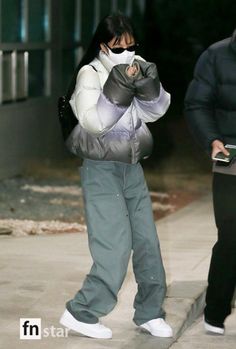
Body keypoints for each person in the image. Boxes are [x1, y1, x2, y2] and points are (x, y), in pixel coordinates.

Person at [59, 13, 173, 339]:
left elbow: (157, 111)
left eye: (131, 44)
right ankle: (81, 311)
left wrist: (148, 84)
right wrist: (121, 85)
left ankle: (149, 312)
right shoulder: (89, 74)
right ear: (103, 46)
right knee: (114, 245)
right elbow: (95, 123)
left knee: (147, 242)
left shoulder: (135, 67)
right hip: (100, 170)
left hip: (132, 168)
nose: (126, 51)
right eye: (118, 46)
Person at [185, 29, 236, 335]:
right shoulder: (216, 56)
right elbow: (197, 104)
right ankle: (215, 310)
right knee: (231, 236)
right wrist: (211, 140)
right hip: (231, 156)